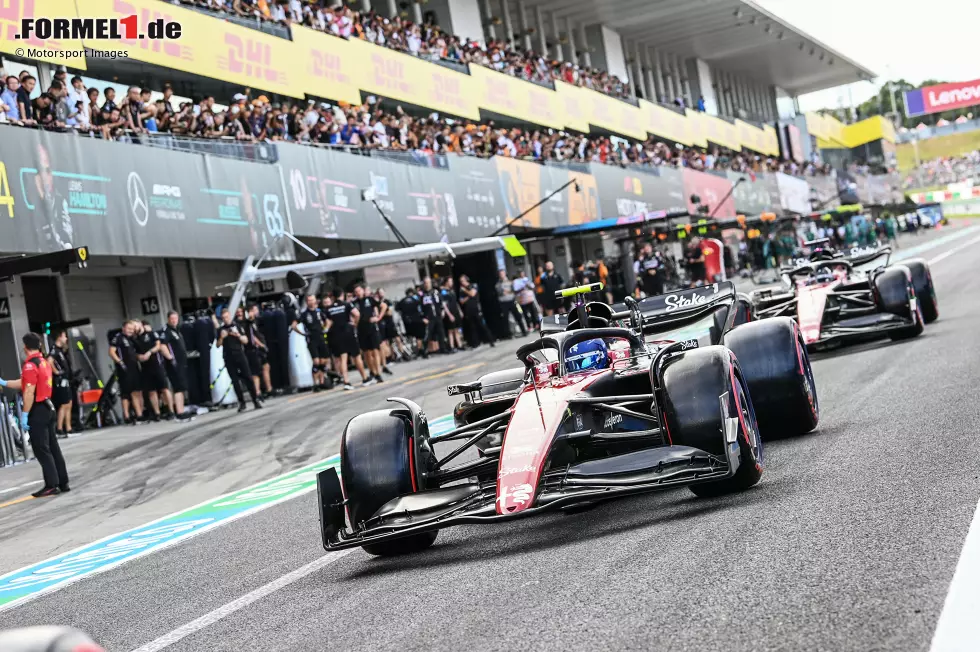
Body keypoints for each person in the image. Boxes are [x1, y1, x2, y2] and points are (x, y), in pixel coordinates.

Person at [0, 333, 70, 497]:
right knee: (53, 447)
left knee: (41, 449)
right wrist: (4, 383)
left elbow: (29, 392)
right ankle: (62, 481)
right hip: (48, 406)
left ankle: (51, 484)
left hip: (38, 409)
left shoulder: (30, 365)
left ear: (25, 347)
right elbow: (24, 383)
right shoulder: (43, 362)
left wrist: (25, 414)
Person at [217, 308, 262, 412]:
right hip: (228, 357)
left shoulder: (237, 326)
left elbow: (246, 341)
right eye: (223, 318)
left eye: (227, 317)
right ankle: (241, 402)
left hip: (239, 354)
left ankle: (255, 399)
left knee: (248, 377)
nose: (226, 319)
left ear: (230, 316)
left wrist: (237, 335)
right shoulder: (220, 330)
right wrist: (222, 337)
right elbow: (218, 345)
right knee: (235, 381)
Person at [323, 294, 371, 389]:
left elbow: (328, 323)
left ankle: (346, 381)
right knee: (356, 357)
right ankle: (365, 378)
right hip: (348, 333)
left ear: (333, 297)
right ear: (341, 295)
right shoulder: (347, 304)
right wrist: (355, 323)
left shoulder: (329, 309)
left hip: (337, 335)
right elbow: (357, 314)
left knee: (343, 358)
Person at [133, 320, 170, 421]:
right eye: (133, 326)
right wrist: (139, 356)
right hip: (145, 367)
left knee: (164, 389)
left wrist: (149, 352)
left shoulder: (151, 333)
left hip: (157, 364)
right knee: (151, 391)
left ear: (140, 325)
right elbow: (134, 352)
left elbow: (158, 345)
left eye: (136, 326)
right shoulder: (135, 339)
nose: (135, 328)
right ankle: (157, 413)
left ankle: (170, 410)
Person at [293, 294, 330, 391]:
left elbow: (328, 321)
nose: (311, 302)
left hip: (321, 337)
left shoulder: (319, 312)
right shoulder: (304, 314)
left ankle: (322, 381)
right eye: (309, 300)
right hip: (311, 339)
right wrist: (303, 334)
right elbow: (294, 325)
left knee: (323, 361)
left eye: (312, 300)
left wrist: (326, 328)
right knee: (316, 361)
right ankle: (316, 383)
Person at [109, 320, 142, 424]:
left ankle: (139, 414)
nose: (130, 331)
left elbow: (139, 350)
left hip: (134, 367)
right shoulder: (118, 338)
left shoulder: (132, 339)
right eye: (129, 328)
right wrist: (120, 362)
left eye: (132, 329)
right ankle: (127, 416)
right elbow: (111, 351)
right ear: (123, 328)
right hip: (124, 368)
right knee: (126, 393)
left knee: (136, 391)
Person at [353, 284, 386, 383]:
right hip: (361, 330)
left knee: (375, 351)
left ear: (363, 291)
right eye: (356, 292)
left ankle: (378, 373)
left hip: (371, 328)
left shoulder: (370, 299)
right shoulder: (354, 303)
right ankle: (372, 371)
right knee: (366, 353)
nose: (358, 293)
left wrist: (378, 317)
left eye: (359, 291)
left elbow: (383, 306)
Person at [161, 311, 191, 420]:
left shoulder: (176, 330)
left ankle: (181, 409)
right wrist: (170, 357)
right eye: (172, 318)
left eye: (176, 318)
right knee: (178, 388)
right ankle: (179, 412)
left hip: (181, 364)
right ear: (168, 319)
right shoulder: (167, 331)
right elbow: (162, 345)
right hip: (174, 365)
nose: (174, 320)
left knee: (182, 388)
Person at [47, 330, 74, 437]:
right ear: (59, 337)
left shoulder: (61, 350)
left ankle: (68, 428)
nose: (66, 339)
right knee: (64, 404)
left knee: (69, 403)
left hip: (66, 380)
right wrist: (56, 372)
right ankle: (59, 428)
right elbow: (49, 361)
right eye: (64, 337)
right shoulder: (54, 350)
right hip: (60, 381)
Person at [458, 275, 495, 349]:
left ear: (466, 280)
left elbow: (473, 294)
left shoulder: (473, 285)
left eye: (463, 280)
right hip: (468, 310)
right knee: (472, 327)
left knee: (482, 325)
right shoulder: (461, 290)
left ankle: (491, 340)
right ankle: (475, 343)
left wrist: (466, 292)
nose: (462, 282)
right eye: (461, 281)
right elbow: (461, 301)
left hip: (476, 309)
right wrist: (468, 296)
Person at [419, 277, 449, 356]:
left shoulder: (436, 292)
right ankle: (424, 350)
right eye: (426, 283)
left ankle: (443, 348)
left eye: (428, 282)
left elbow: (441, 302)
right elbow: (420, 307)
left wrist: (442, 311)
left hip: (437, 315)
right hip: (429, 318)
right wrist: (423, 318)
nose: (427, 284)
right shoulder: (422, 295)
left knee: (441, 333)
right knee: (428, 334)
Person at [495, 269, 527, 337]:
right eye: (500, 274)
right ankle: (508, 334)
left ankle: (524, 331)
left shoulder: (510, 282)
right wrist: (508, 290)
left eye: (503, 273)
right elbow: (500, 292)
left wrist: (508, 291)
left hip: (511, 301)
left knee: (518, 316)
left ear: (505, 274)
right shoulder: (498, 284)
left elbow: (514, 290)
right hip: (503, 303)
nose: (502, 275)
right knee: (505, 319)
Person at [397, 287, 426, 359]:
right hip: (417, 321)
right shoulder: (416, 300)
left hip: (407, 322)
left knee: (410, 337)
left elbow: (397, 309)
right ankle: (419, 351)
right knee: (419, 337)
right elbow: (420, 309)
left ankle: (412, 351)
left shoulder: (402, 301)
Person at [440, 277, 463, 353]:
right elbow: (444, 305)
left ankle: (460, 345)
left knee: (456, 329)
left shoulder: (452, 291)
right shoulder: (444, 292)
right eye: (450, 281)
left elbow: (455, 302)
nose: (451, 283)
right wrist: (449, 315)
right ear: (446, 282)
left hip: (455, 311)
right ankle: (452, 346)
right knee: (450, 331)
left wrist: (460, 311)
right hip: (450, 312)